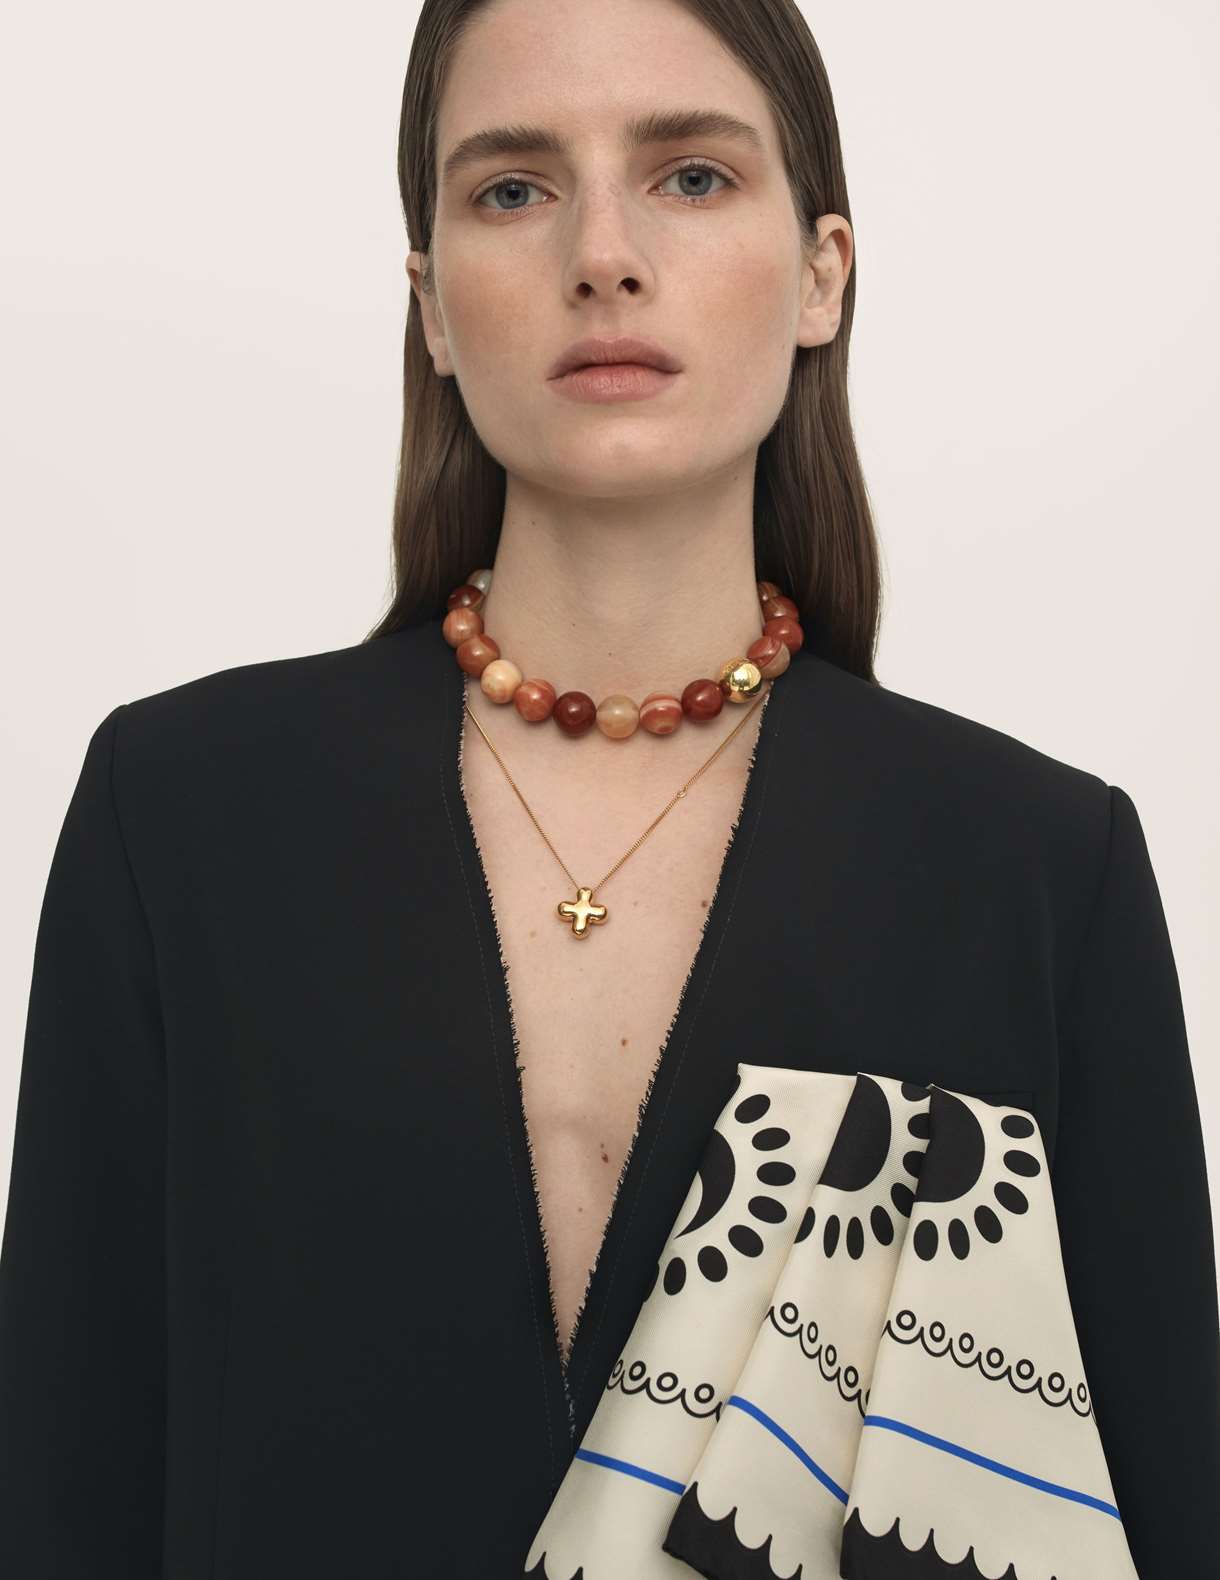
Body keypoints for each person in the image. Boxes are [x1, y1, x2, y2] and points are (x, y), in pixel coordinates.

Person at [1, 0, 1216, 1575]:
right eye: (513, 188)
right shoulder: (179, 818)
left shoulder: (1041, 869)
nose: (603, 255)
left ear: (823, 275)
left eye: (691, 177)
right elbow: (61, 1486)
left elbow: (1167, 1513)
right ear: (434, 308)